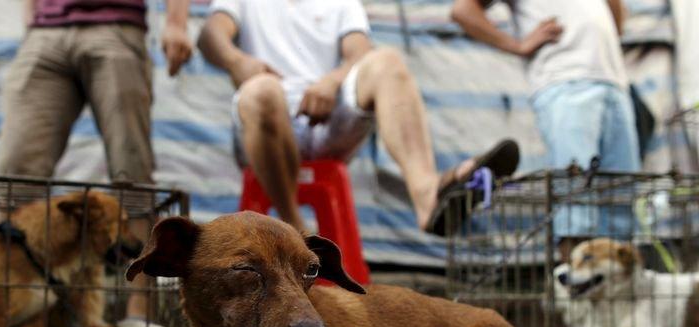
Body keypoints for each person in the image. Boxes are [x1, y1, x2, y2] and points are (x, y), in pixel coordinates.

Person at [199, 0, 520, 236]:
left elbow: (359, 51)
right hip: (262, 129)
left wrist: (333, 80)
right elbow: (211, 34)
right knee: (263, 91)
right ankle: (292, 224)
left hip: (324, 123)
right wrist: (237, 60)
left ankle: (427, 194)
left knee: (387, 62)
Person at [0, 0, 193, 319]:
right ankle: (6, 303)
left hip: (116, 25)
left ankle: (139, 314)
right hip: (45, 33)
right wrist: (30, 17)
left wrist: (176, 23)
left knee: (131, 171)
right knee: (14, 172)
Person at [451, 0, 640, 258]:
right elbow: (463, 10)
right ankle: (572, 292)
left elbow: (618, 27)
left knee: (621, 203)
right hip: (564, 82)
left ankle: (617, 294)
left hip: (615, 84)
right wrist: (517, 45)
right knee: (575, 204)